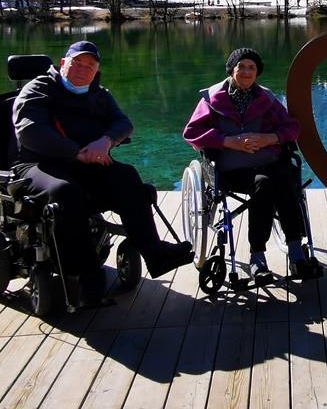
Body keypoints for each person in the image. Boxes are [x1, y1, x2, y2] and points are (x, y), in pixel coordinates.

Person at [12, 41, 194, 306]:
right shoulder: (39, 89)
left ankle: (155, 253)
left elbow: (124, 123)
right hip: (40, 164)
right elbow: (29, 130)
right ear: (63, 64)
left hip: (87, 162)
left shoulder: (99, 94)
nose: (82, 70)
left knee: (127, 176)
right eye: (77, 63)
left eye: (90, 66)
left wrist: (106, 141)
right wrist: (75, 152)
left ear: (96, 71)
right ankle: (88, 276)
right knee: (64, 191)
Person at [182, 47, 317, 283]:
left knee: (285, 179)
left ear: (257, 73)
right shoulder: (212, 98)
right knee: (263, 185)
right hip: (231, 170)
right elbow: (192, 132)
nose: (246, 71)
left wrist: (270, 138)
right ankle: (257, 256)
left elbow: (292, 127)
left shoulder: (267, 98)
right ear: (232, 69)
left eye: (251, 67)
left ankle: (297, 251)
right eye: (241, 66)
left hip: (268, 161)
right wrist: (228, 142)